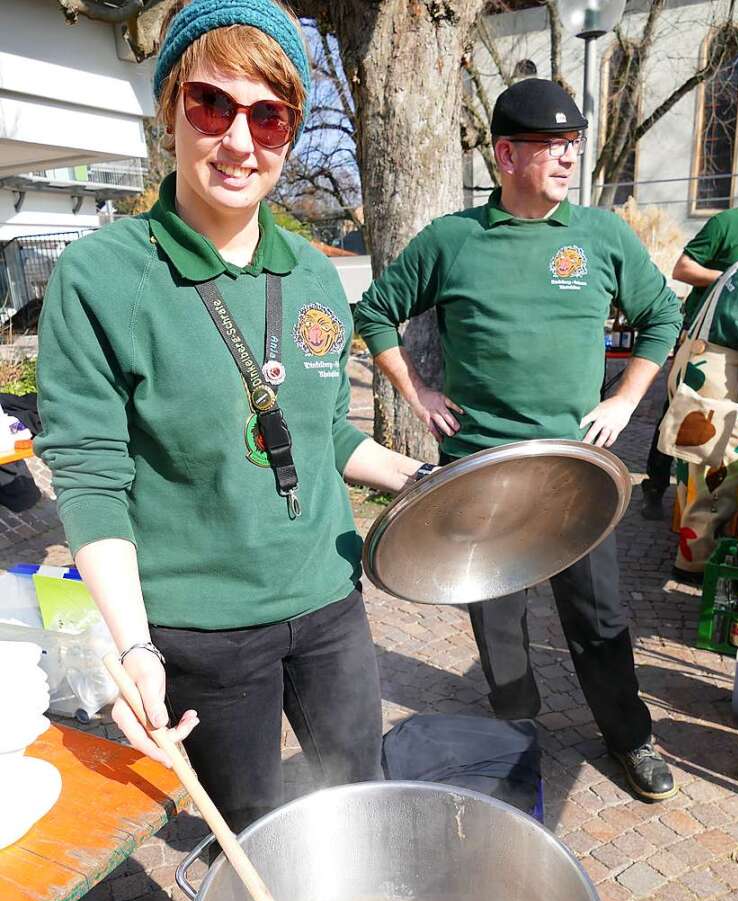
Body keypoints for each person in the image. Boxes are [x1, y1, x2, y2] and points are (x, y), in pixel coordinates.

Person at [35, 0, 424, 835]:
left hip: (329, 601)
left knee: (358, 792)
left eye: (269, 117)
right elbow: (94, 478)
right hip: (203, 630)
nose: (240, 141)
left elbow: (319, 433)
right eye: (212, 105)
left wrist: (425, 481)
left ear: (289, 132)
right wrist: (134, 646)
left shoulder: (316, 273)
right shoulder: (101, 277)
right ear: (170, 107)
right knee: (249, 825)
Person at [354, 79, 682, 802]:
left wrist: (625, 399)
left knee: (598, 616)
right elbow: (375, 312)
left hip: (576, 473)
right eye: (549, 146)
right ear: (505, 154)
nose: (567, 158)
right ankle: (514, 733)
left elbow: (662, 313)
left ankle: (628, 734)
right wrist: (417, 392)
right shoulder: (452, 240)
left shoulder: (599, 237)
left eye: (572, 145)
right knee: (497, 618)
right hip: (482, 470)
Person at [641, 192, 738, 522]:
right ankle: (654, 488)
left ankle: (735, 507)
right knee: (682, 419)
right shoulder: (728, 224)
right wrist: (736, 281)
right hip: (707, 345)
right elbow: (682, 269)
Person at [659, 250, 738, 575]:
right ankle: (697, 562)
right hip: (714, 368)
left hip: (700, 359)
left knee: (695, 463)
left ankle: (693, 550)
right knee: (722, 464)